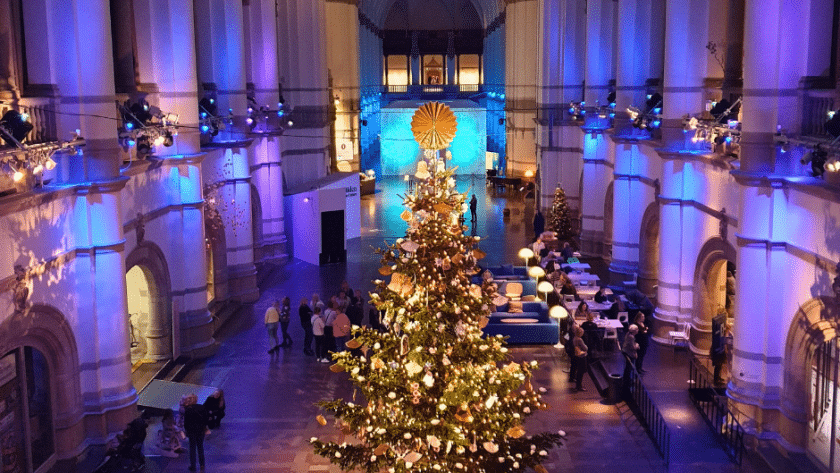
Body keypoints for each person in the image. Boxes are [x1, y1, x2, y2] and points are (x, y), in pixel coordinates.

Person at [184, 395, 208, 471]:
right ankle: (202, 464)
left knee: (192, 449)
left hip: (192, 432)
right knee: (200, 447)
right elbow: (206, 419)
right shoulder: (202, 407)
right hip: (200, 431)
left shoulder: (188, 410)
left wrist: (187, 431)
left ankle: (193, 466)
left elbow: (186, 423)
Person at [711, 311, 727, 385]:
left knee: (719, 365)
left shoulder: (721, 324)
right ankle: (716, 379)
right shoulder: (718, 324)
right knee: (718, 365)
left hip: (720, 348)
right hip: (717, 349)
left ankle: (718, 377)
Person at [572, 326, 588, 391]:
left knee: (579, 371)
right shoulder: (579, 339)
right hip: (581, 356)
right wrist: (586, 346)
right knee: (581, 372)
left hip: (577, 356)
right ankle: (579, 386)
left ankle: (578, 386)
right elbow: (585, 348)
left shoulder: (574, 338)